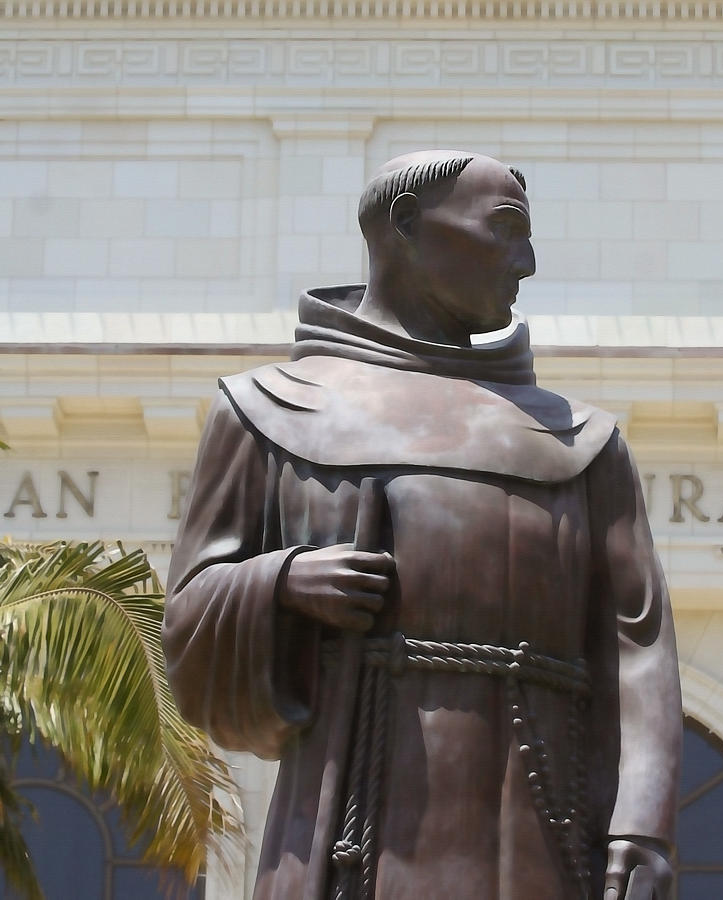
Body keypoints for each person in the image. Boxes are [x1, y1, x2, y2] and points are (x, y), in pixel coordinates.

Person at [163, 150, 681, 900]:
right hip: (351, 835)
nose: (527, 263)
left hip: (540, 837)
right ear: (406, 224)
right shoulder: (266, 413)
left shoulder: (581, 444)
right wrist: (280, 583)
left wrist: (644, 823)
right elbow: (188, 625)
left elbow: (638, 647)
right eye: (505, 230)